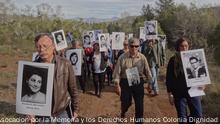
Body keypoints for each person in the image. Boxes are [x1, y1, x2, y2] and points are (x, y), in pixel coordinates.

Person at [32, 33, 79, 123]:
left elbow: (73, 89)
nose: (41, 50)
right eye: (38, 47)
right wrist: (30, 113)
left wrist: (76, 109)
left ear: (53, 46)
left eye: (45, 46)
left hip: (63, 112)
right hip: (42, 115)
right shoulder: (33, 67)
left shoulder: (65, 64)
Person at [165, 37, 205, 124]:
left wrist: (203, 84)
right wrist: (169, 94)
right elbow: (169, 79)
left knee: (198, 116)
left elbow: (202, 75)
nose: (184, 48)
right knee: (182, 119)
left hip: (193, 91)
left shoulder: (195, 57)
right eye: (182, 46)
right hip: (179, 93)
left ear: (188, 47)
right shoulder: (173, 60)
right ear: (178, 47)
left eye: (186, 46)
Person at [113, 38, 152, 124]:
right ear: (129, 46)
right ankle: (123, 111)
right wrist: (117, 85)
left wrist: (150, 83)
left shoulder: (142, 58)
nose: (134, 48)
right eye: (132, 46)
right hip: (125, 82)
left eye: (136, 46)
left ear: (139, 47)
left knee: (139, 105)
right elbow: (117, 72)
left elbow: (148, 71)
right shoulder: (122, 57)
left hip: (138, 82)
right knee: (126, 102)